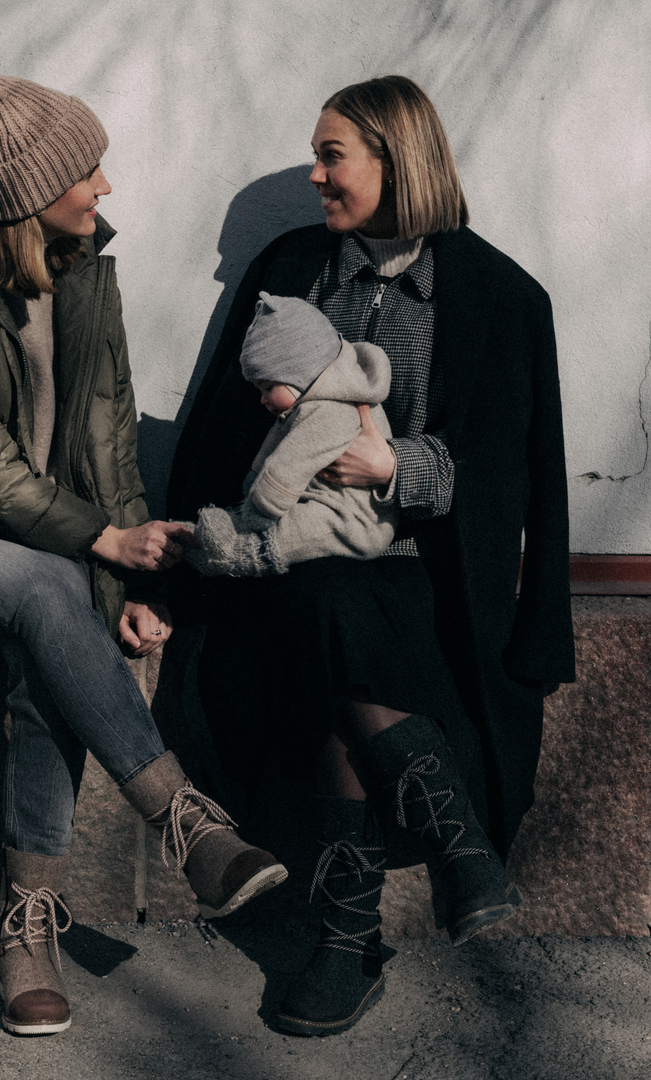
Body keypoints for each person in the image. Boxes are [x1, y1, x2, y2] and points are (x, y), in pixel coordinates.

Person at [0, 76, 286, 1037]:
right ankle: (185, 819)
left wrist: (124, 576)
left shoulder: (82, 278)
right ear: (30, 194)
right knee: (42, 582)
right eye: (87, 171)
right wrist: (97, 540)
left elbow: (106, 444)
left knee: (51, 622)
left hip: (43, 557)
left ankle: (25, 928)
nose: (105, 187)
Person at [167, 75, 574, 1037]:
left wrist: (399, 466)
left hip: (429, 580)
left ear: (399, 159)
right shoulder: (292, 270)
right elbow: (218, 433)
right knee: (325, 599)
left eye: (331, 155)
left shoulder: (501, 297)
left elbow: (519, 470)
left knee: (339, 609)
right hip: (291, 566)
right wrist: (162, 575)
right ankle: (453, 842)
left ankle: (346, 934)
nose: (314, 175)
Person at [182, 291, 396, 576]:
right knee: (292, 514)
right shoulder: (309, 400)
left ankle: (240, 555)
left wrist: (258, 512)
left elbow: (289, 465)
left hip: (356, 522)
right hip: (321, 497)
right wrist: (252, 494)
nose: (263, 399)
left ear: (302, 374)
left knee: (304, 526)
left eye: (268, 387)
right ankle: (219, 536)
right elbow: (274, 448)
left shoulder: (332, 411)